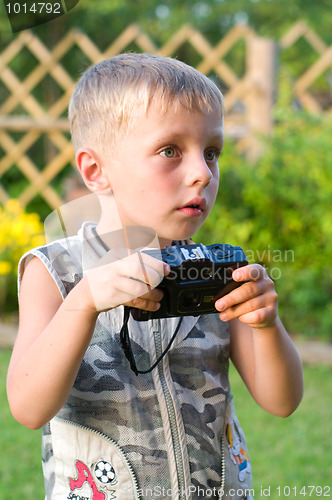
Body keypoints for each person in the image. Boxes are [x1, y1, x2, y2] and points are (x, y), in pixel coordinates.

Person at [7, 53, 303, 500]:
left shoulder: (216, 272)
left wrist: (265, 325)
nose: (202, 174)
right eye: (170, 151)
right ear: (95, 170)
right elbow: (28, 407)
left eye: (212, 153)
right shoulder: (55, 273)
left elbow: (282, 402)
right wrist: (84, 303)